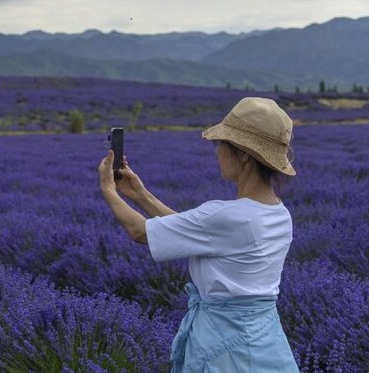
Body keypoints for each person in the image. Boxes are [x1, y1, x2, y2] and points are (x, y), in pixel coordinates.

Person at [98, 97, 299, 372]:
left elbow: (139, 232)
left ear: (242, 154)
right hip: (264, 339)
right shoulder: (279, 214)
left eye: (220, 145)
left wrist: (108, 188)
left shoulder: (226, 215)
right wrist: (139, 195)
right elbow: (193, 231)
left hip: (225, 347)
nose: (217, 152)